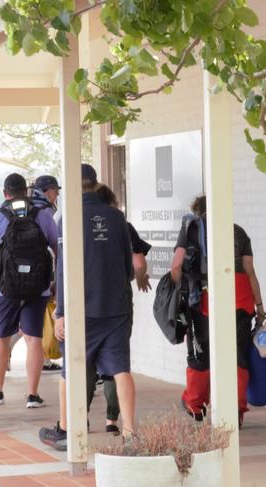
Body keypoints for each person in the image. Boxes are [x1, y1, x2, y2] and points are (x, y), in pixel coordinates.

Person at [39, 164, 135, 451]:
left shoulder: (68, 218)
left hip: (82, 309)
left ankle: (67, 430)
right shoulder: (117, 217)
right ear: (95, 184)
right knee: (121, 369)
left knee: (71, 369)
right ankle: (130, 433)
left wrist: (61, 313)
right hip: (117, 306)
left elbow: (63, 268)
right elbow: (129, 268)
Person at [170, 196, 264, 427]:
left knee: (201, 353)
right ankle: (235, 410)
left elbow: (176, 267)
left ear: (197, 211)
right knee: (237, 354)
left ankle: (196, 404)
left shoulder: (191, 231)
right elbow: (250, 270)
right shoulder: (239, 232)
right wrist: (259, 306)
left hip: (204, 299)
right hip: (240, 299)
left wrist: (176, 295)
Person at [84, 183, 151, 435]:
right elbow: (138, 262)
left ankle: (82, 417)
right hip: (118, 302)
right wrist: (139, 277)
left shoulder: (79, 222)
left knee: (87, 364)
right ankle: (114, 421)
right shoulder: (121, 224)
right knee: (116, 364)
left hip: (88, 303)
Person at [0, 173, 59, 408]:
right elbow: (57, 248)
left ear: (4, 193)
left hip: (4, 289)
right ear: (26, 191)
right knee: (34, 340)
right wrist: (56, 282)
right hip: (37, 288)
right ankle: (32, 394)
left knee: (1, 338)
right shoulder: (43, 215)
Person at [8, 174, 63, 373]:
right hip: (41, 277)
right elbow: (58, 248)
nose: (57, 194)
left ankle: (6, 348)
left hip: (11, 279)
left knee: (25, 324)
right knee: (35, 325)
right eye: (55, 190)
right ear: (47, 190)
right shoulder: (47, 213)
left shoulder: (24, 210)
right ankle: (43, 362)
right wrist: (57, 279)